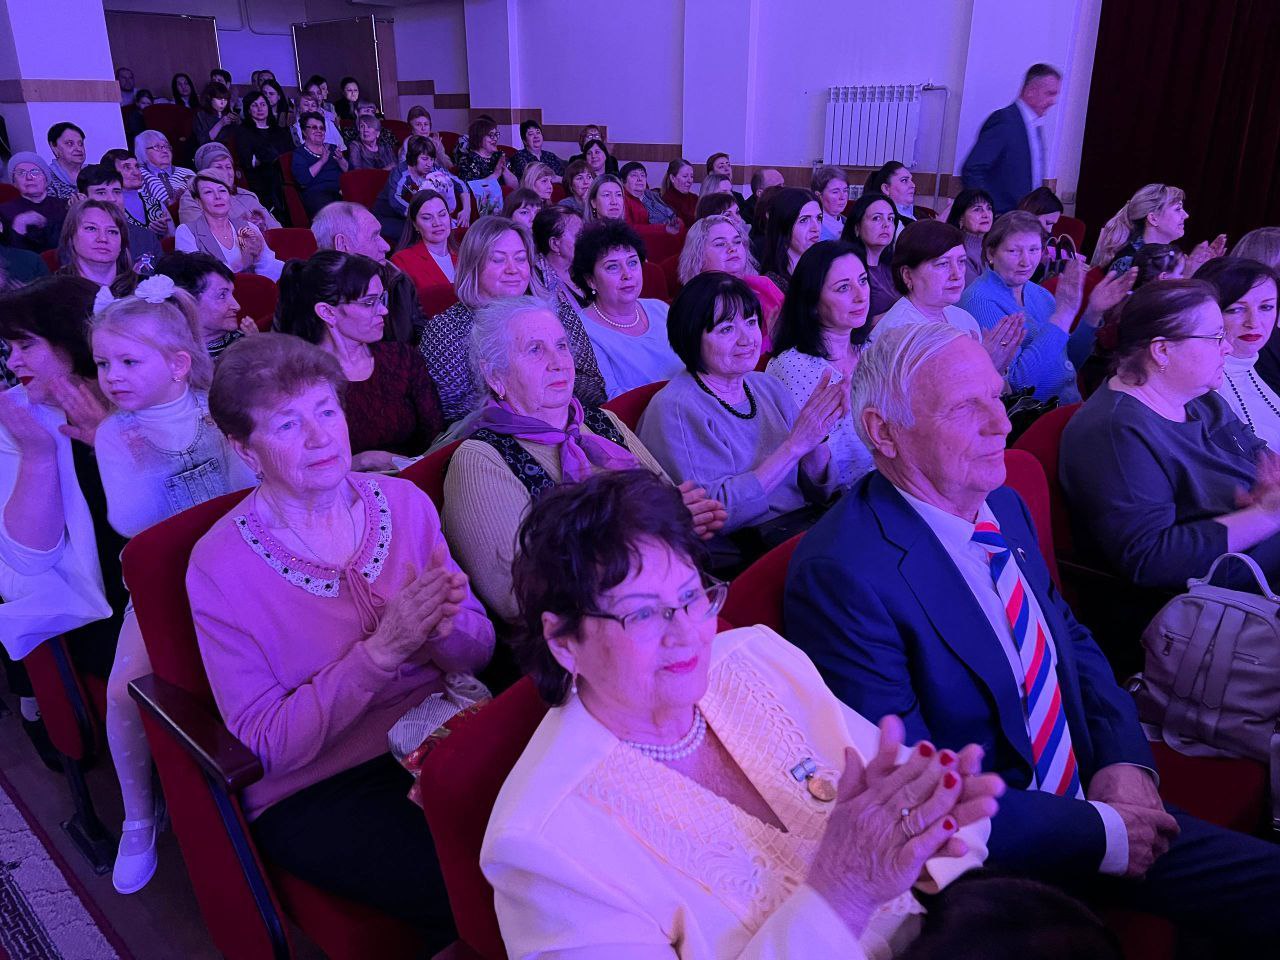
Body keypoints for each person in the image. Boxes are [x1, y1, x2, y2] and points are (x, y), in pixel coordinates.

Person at [786, 319, 1280, 948]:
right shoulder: (844, 574)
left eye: (996, 395)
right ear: (884, 432)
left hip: (1092, 789)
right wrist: (1103, 832)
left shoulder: (1001, 502)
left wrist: (1124, 760)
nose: (1001, 423)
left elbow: (1067, 637)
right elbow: (912, 791)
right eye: (966, 407)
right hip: (997, 863)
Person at [482, 468, 999, 959]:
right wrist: (843, 890)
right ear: (563, 640)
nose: (686, 633)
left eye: (691, 596)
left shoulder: (755, 657)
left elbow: (920, 814)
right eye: (642, 614)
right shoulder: (541, 845)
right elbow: (854, 875)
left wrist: (923, 835)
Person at [188, 333, 494, 949]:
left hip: (446, 727)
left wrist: (447, 631)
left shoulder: (404, 502)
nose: (320, 437)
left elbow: (478, 652)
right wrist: (380, 654)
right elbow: (267, 745)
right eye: (287, 424)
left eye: (327, 410)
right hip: (324, 785)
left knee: (565, 832)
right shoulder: (218, 567)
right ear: (245, 450)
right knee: (484, 883)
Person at [88, 277, 256, 893]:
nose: (112, 376)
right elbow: (131, 521)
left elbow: (244, 492)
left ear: (179, 364)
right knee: (122, 691)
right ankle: (137, 815)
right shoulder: (116, 434)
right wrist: (142, 454)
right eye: (104, 363)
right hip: (163, 586)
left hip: (235, 565)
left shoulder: (215, 413)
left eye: (129, 362)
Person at [443, 298, 725, 618]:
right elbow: (519, 598)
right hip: (584, 633)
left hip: (669, 597)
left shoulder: (603, 422)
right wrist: (653, 532)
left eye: (562, 346)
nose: (559, 362)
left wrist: (685, 519)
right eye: (535, 350)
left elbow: (668, 502)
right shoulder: (480, 461)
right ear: (495, 375)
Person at [1058, 278, 1280, 588]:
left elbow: (1265, 461)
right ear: (1162, 350)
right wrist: (1266, 516)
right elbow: (1151, 558)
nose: (1228, 347)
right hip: (1231, 597)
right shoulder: (1114, 433)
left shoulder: (1201, 399)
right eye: (1216, 337)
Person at [639, 272, 845, 547]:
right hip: (751, 550)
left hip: (806, 529)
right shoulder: (675, 408)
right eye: (727, 329)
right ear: (691, 336)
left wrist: (816, 436)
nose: (747, 339)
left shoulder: (767, 386)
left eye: (750, 322)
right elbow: (715, 514)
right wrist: (793, 447)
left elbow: (822, 491)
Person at [419, 216, 606, 421]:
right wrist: (528, 399)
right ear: (473, 265)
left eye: (520, 258)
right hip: (494, 435)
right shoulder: (446, 329)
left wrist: (551, 402)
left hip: (571, 421)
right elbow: (453, 411)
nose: (513, 269)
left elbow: (593, 386)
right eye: (498, 259)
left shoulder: (557, 312)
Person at [275, 251, 442, 470]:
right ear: (327, 312)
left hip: (417, 476)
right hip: (342, 487)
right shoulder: (300, 382)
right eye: (369, 302)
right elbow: (299, 468)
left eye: (381, 298)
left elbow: (434, 435)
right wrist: (362, 462)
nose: (384, 310)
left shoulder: (402, 358)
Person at [958, 211, 1134, 401]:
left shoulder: (1040, 293)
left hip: (1069, 405)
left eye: (1034, 250)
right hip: (1034, 413)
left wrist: (1093, 312)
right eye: (1014, 251)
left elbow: (1069, 362)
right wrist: (1063, 315)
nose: (1026, 262)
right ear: (991, 253)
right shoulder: (980, 300)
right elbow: (1017, 385)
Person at [768, 241, 876, 489]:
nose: (861, 296)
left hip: (893, 483)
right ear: (813, 303)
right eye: (843, 288)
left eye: (863, 281)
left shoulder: (871, 350)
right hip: (846, 498)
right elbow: (808, 479)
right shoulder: (791, 367)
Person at [872, 221, 1024, 378]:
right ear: (907, 275)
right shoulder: (898, 335)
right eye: (943, 264)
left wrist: (998, 367)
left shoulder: (963, 318)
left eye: (961, 261)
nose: (957, 275)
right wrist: (984, 365)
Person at [571, 219, 680, 398]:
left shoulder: (660, 309)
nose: (627, 274)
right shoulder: (582, 331)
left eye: (632, 262)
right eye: (613, 267)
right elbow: (611, 398)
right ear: (590, 280)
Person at [311, 200, 430, 346]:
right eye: (374, 236)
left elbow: (423, 336)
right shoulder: (307, 298)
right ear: (342, 244)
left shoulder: (399, 281)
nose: (386, 246)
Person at [1197, 257, 1280, 450]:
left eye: (1266, 307)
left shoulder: (1258, 364)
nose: (1254, 322)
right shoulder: (1201, 384)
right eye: (1236, 309)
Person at [961, 65, 1062, 214]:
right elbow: (973, 170)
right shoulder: (1004, 120)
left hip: (1025, 217)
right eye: (1050, 93)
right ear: (1030, 91)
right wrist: (992, 211)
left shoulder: (1034, 126)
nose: (1053, 101)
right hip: (1005, 218)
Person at [677, 214, 784, 340]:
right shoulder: (692, 305)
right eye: (720, 244)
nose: (732, 248)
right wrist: (768, 339)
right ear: (698, 257)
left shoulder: (764, 286)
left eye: (737, 242)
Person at [1090, 183, 1225, 275]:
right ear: (1153, 218)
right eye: (1178, 209)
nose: (1186, 215)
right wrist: (1188, 276)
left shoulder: (1170, 258)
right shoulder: (1128, 262)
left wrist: (1205, 269)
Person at [174, 174, 284, 281]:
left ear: (229, 197)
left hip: (253, 290)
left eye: (222, 191)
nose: (218, 196)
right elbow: (196, 277)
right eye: (208, 192)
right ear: (198, 201)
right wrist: (241, 263)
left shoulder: (248, 227)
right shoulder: (186, 232)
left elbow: (267, 265)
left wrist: (289, 270)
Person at [152, 251, 257, 360]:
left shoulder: (244, 345)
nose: (237, 306)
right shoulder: (159, 354)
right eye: (222, 295)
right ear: (184, 303)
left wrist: (257, 350)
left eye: (232, 294)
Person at [77, 162, 163, 273]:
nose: (112, 199)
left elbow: (162, 278)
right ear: (83, 199)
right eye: (101, 193)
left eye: (117, 192)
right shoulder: (75, 238)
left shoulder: (146, 237)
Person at [180, 143, 280, 232]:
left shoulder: (247, 196)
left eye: (228, 167)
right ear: (205, 173)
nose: (226, 172)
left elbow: (276, 228)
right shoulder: (192, 198)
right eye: (218, 167)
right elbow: (201, 235)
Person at [57, 200, 137, 298]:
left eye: (112, 231)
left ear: (122, 242)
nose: (103, 238)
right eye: (91, 228)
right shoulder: (51, 293)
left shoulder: (146, 289)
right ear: (71, 236)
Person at [841, 191, 902, 321]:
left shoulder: (892, 266)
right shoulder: (848, 270)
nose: (886, 224)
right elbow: (854, 321)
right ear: (857, 228)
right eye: (876, 218)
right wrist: (902, 312)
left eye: (891, 219)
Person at [391, 190, 457, 304]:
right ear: (415, 225)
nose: (437, 223)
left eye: (442, 215)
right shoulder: (401, 261)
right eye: (427, 218)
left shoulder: (465, 255)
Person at [235, 90, 293, 216]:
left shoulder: (280, 131)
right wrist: (266, 158)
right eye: (254, 105)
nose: (260, 108)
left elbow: (289, 154)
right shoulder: (243, 131)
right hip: (258, 176)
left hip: (283, 175)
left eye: (263, 104)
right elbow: (248, 161)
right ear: (248, 110)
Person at [1, 152, 68, 253]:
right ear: (14, 182)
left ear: (46, 178)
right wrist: (19, 224)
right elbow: (8, 255)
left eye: (35, 172)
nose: (29, 177)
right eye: (21, 173)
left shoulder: (64, 206)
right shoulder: (4, 211)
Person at [760, 188, 822, 294]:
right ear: (783, 225)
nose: (816, 228)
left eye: (819, 218)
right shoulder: (772, 286)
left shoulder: (823, 270)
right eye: (804, 220)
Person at [293, 112, 348, 217]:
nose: (319, 131)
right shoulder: (299, 154)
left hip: (340, 191)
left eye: (322, 128)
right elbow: (303, 180)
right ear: (304, 131)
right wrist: (322, 161)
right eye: (314, 127)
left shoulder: (332, 148)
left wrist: (341, 161)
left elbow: (350, 172)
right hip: (317, 195)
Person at [530, 204, 586, 308]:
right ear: (555, 244)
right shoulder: (537, 284)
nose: (586, 240)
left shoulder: (583, 271)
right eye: (579, 236)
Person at [135, 130, 196, 210]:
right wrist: (169, 204)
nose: (165, 150)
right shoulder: (138, 176)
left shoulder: (187, 173)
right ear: (143, 152)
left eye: (166, 146)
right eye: (157, 147)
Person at [456, 117, 517, 197]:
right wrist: (496, 174)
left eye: (496, 134)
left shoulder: (499, 155)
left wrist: (505, 170)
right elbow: (471, 191)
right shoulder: (467, 160)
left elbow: (515, 188)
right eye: (491, 135)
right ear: (479, 138)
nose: (495, 138)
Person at [946, 189, 994, 286]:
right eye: (977, 209)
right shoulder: (959, 251)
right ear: (961, 218)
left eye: (989, 208)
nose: (986, 215)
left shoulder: (992, 246)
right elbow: (975, 291)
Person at [865, 162, 931, 233]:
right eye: (904, 180)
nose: (913, 185)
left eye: (911, 180)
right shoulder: (888, 222)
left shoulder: (920, 213)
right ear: (886, 189)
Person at [619, 161, 680, 229]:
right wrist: (666, 229)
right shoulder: (622, 201)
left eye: (643, 175)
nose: (640, 179)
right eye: (634, 175)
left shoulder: (654, 195)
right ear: (622, 181)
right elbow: (630, 229)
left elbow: (674, 215)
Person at [46, 122, 86, 200]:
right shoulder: (47, 178)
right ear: (54, 147)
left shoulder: (94, 172)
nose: (79, 149)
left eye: (80, 144)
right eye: (70, 143)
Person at [193, 82, 239, 147]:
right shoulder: (201, 115)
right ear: (210, 98)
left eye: (225, 99)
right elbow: (202, 141)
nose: (223, 103)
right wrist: (220, 124)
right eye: (219, 99)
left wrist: (238, 121)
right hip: (209, 149)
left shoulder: (227, 113)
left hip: (227, 149)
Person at [813, 166, 849, 241]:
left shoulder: (848, 222)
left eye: (845, 191)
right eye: (835, 192)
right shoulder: (814, 228)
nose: (842, 197)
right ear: (819, 195)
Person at [661, 158, 698, 226]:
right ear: (672, 178)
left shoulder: (695, 198)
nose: (690, 180)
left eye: (692, 176)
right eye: (685, 176)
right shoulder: (666, 201)